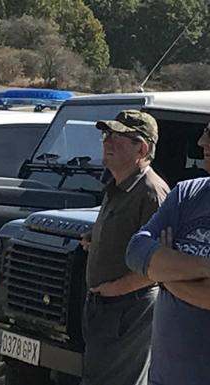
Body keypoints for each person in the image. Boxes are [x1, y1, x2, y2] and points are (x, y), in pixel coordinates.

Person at [80, 110, 169, 385]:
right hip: (103, 307)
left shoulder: (152, 192)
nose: (107, 142)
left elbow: (160, 266)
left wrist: (114, 289)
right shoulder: (118, 185)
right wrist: (95, 238)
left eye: (119, 138)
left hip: (129, 309)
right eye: (107, 135)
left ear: (141, 148)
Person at [126, 123, 210, 385]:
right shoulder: (188, 193)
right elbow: (137, 251)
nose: (201, 141)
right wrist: (204, 267)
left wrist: (165, 273)